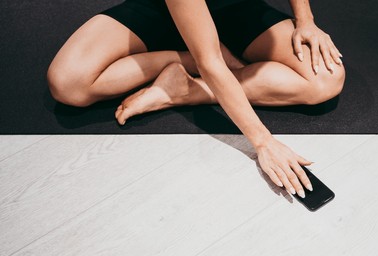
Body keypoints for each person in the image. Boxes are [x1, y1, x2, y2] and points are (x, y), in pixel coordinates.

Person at [47, 0, 345, 198]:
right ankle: (181, 58)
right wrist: (263, 142)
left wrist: (305, 20)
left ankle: (184, 90)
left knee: (325, 80)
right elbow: (211, 61)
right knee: (68, 84)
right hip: (160, 10)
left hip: (236, 8)